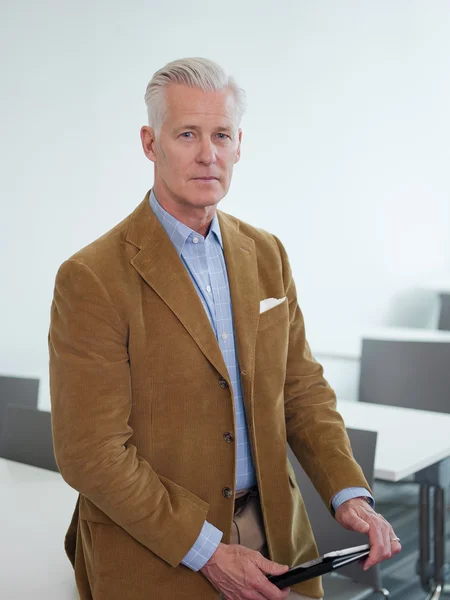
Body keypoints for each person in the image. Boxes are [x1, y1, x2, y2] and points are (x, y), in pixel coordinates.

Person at [48, 57, 401, 600]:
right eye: (187, 133)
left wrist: (349, 493)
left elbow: (301, 390)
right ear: (150, 143)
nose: (208, 154)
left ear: (240, 144)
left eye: (221, 135)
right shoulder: (91, 277)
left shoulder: (266, 253)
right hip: (156, 548)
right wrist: (208, 550)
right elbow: (91, 453)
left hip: (276, 533)